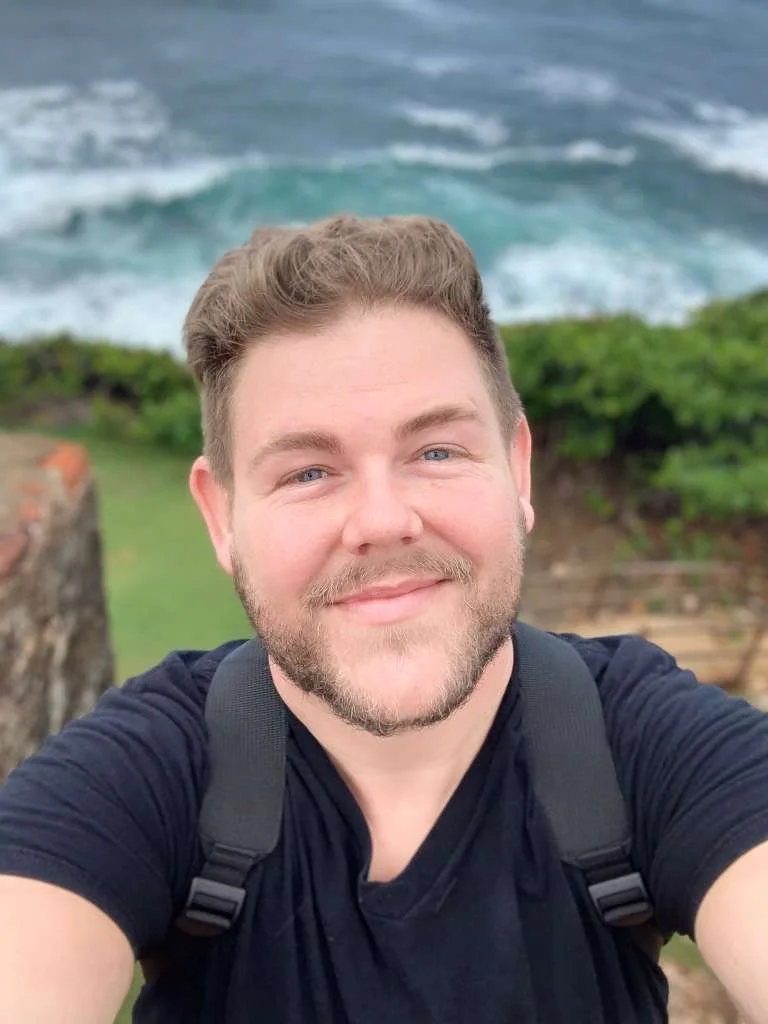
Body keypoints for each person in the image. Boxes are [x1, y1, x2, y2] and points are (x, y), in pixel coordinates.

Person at [1, 215, 767, 1024]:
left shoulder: (648, 742)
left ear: (518, 470)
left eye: (436, 451)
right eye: (308, 470)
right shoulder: (143, 773)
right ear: (221, 518)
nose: (382, 519)